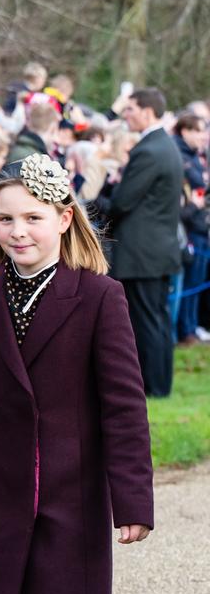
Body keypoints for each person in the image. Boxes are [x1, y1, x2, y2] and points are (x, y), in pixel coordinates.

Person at [0, 154, 154, 594]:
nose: (18, 231)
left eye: (33, 218)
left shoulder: (99, 296)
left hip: (71, 495)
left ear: (64, 218)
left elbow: (123, 406)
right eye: (6, 219)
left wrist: (132, 499)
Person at [102, 88, 184, 397]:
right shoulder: (165, 145)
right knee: (157, 320)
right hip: (156, 250)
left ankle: (153, 386)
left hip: (142, 252)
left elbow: (122, 202)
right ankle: (160, 384)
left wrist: (97, 197)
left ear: (147, 112)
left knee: (147, 321)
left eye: (131, 110)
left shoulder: (149, 150)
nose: (126, 115)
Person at [173, 112, 210, 345]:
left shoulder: (195, 156)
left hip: (200, 222)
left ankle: (192, 325)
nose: (202, 136)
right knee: (189, 283)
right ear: (184, 130)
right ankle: (185, 329)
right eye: (197, 130)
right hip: (189, 226)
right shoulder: (179, 156)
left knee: (197, 282)